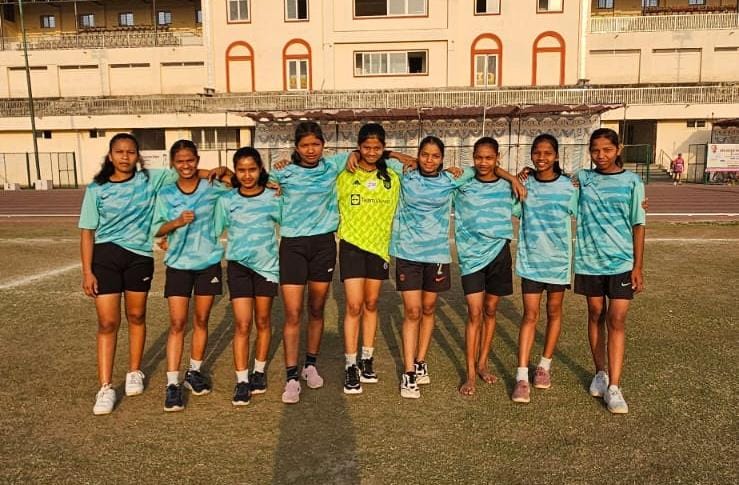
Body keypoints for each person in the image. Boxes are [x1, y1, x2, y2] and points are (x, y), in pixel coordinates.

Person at [391, 136, 525, 399]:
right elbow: (377, 155)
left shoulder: (458, 180)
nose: (483, 162)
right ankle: (450, 373)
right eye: (425, 154)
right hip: (451, 255)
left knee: (483, 310)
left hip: (479, 254)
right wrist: (403, 156)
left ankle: (476, 364)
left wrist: (513, 178)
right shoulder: (453, 180)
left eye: (435, 156)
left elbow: (489, 171)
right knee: (459, 311)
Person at [79, 133, 178, 415]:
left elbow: (187, 171)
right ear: (110, 156)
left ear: (138, 156)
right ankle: (105, 387)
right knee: (107, 322)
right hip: (105, 259)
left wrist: (217, 172)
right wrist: (87, 272)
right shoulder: (96, 189)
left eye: (131, 152)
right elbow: (87, 232)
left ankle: (134, 371)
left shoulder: (151, 179)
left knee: (136, 316)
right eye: (120, 152)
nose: (125, 156)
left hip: (139, 258)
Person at [269, 121, 349, 404]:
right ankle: (291, 377)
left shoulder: (333, 166)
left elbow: (370, 152)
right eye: (305, 145)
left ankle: (310, 365)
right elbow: (251, 182)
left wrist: (403, 158)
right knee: (293, 313)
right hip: (292, 246)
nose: (311, 150)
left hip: (323, 245)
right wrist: (273, 181)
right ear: (296, 147)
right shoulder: (283, 172)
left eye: (316, 144)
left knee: (316, 309)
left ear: (323, 145)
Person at [153, 140, 230, 412]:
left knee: (201, 319)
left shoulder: (211, 187)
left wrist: (222, 170)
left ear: (197, 160)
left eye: (190, 160)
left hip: (208, 262)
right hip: (178, 265)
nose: (185, 165)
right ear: (173, 164)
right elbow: (156, 228)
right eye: (180, 161)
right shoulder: (165, 193)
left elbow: (236, 184)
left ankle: (194, 372)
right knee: (177, 323)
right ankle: (172, 383)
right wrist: (176, 223)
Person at [575, 128, 645, 415]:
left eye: (606, 149)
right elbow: (554, 181)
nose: (600, 155)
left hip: (621, 263)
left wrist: (638, 266)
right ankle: (600, 373)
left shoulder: (633, 181)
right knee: (595, 314)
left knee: (616, 318)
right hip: (589, 261)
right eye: (595, 150)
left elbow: (638, 224)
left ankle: (614, 387)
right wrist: (527, 172)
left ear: (618, 149)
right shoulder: (582, 178)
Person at [511, 134, 578, 404]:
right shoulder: (525, 183)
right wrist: (516, 178)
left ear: (557, 156)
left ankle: (544, 366)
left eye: (547, 153)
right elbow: (513, 207)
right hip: (531, 261)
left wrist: (639, 204)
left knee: (554, 312)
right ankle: (521, 376)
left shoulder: (569, 186)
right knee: (530, 315)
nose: (541, 157)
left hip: (558, 262)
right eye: (537, 152)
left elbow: (589, 206)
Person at [336, 123, 402, 395]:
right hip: (351, 245)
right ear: (358, 147)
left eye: (377, 148)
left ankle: (367, 358)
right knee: (354, 305)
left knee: (372, 303)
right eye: (366, 147)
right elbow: (319, 168)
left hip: (379, 249)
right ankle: (350, 364)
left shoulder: (393, 176)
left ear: (384, 148)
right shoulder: (344, 174)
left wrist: (392, 155)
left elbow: (418, 163)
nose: (371, 152)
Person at [454, 137, 521, 396]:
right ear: (473, 158)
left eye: (489, 157)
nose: (483, 162)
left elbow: (524, 204)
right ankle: (470, 374)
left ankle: (482, 363)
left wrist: (514, 178)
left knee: (490, 310)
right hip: (471, 258)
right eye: (478, 157)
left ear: (497, 158)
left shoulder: (507, 186)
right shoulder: (462, 183)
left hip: (499, 254)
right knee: (474, 312)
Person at [215, 147, 280, 406]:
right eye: (241, 170)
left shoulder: (273, 196)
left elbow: (289, 222)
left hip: (266, 267)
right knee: (242, 324)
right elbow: (214, 228)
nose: (247, 175)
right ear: (235, 171)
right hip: (238, 267)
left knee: (263, 320)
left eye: (252, 169)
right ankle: (242, 380)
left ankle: (259, 372)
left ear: (260, 169)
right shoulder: (227, 200)